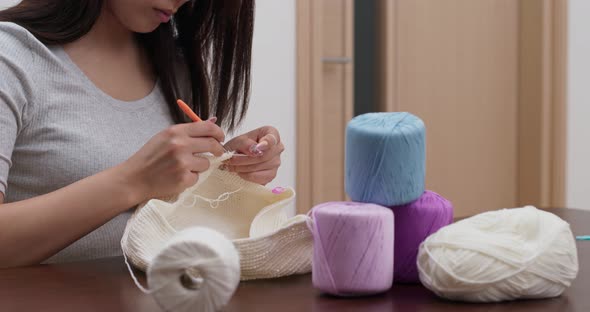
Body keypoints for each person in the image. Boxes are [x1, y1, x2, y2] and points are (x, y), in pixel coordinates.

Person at [0, 0, 284, 268]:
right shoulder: (10, 56)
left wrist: (223, 172)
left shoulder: (175, 70)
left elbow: (163, 217)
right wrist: (133, 181)